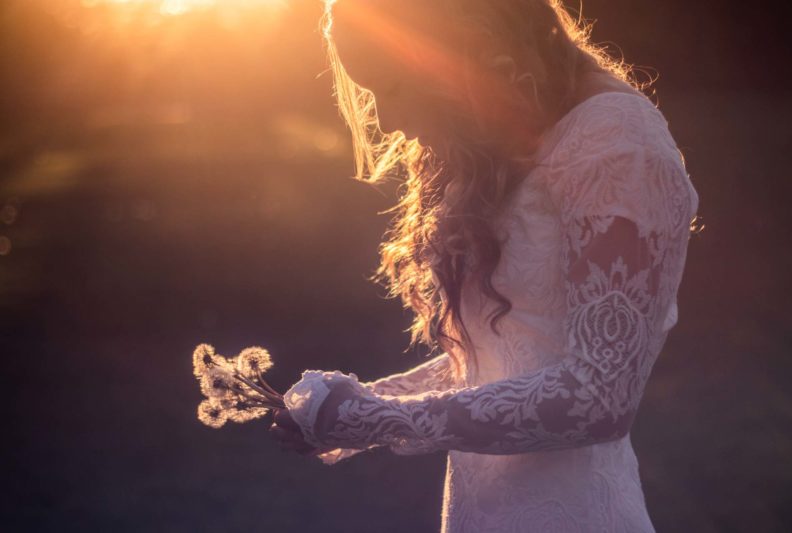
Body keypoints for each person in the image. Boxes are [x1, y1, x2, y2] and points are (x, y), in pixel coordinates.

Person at [268, 0, 700, 530]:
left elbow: (598, 396)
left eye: (393, 86)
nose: (388, 121)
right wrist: (353, 406)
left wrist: (376, 419)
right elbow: (508, 357)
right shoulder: (510, 137)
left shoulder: (619, 146)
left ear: (460, 48)